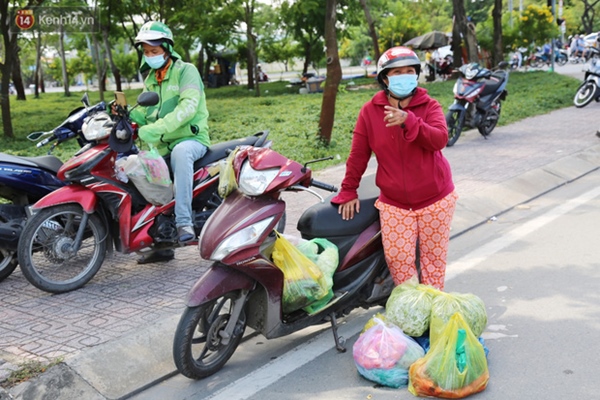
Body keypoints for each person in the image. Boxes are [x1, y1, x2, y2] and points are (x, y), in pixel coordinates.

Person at [331, 46, 457, 290]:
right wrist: (348, 190)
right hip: (395, 203)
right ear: (385, 78)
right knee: (398, 261)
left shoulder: (429, 106)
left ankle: (431, 314)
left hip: (436, 199)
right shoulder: (369, 112)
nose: (404, 76)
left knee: (433, 263)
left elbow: (440, 139)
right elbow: (358, 155)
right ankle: (411, 309)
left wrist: (409, 120)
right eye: (397, 72)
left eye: (409, 71)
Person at [130, 21, 211, 264]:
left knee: (180, 153)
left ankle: (184, 223)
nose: (150, 55)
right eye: (146, 52)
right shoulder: (152, 78)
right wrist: (122, 113)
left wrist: (155, 129)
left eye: (154, 51)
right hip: (162, 145)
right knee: (134, 166)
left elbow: (188, 108)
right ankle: (159, 243)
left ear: (166, 48)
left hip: (191, 139)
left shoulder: (186, 71)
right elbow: (144, 113)